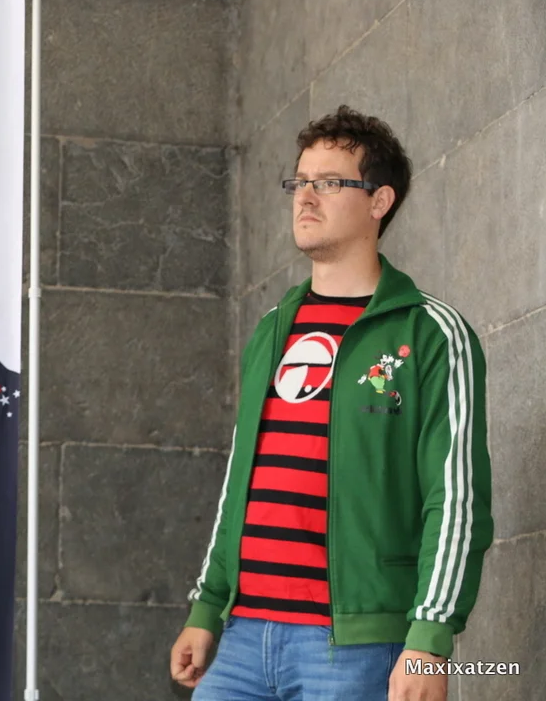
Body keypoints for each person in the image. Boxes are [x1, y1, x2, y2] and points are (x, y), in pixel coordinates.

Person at [170, 106, 493, 701]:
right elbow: (241, 480)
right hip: (241, 640)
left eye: (330, 182)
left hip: (354, 648)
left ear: (379, 201)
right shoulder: (272, 329)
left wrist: (428, 640)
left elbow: (455, 500)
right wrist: (207, 605)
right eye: (299, 181)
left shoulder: (430, 332)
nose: (305, 196)